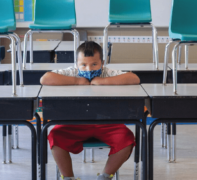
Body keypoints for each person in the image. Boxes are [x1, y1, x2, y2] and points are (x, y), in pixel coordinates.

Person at [40, 41, 140, 180]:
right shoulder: (72, 72)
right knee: (55, 136)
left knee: (127, 139)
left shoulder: (107, 72)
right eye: (83, 64)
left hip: (107, 123)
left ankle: (105, 176)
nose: (88, 69)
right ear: (77, 63)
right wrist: (77, 81)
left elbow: (134, 78)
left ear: (102, 63)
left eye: (94, 64)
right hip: (76, 122)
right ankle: (68, 177)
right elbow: (45, 78)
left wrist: (101, 81)